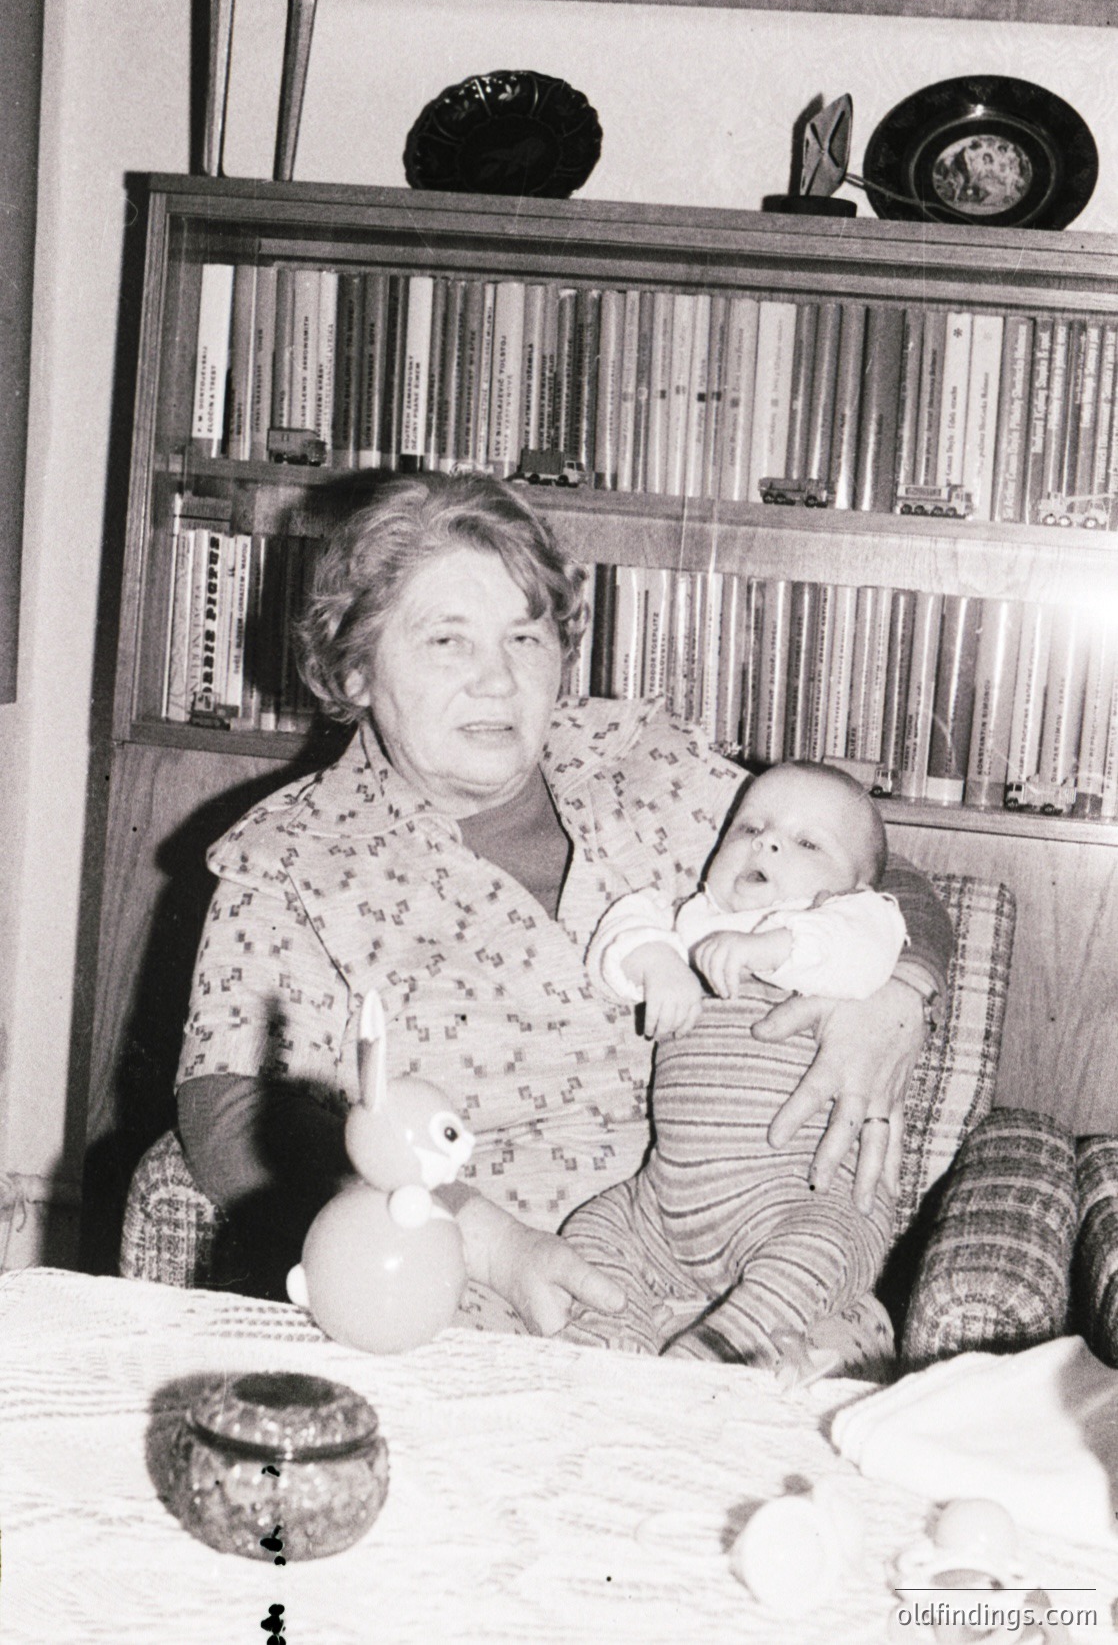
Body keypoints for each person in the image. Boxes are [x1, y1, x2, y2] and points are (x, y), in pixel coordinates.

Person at [173, 471, 953, 1333]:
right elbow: (229, 1113)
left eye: (525, 638)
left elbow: (879, 867)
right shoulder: (291, 859)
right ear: (355, 668)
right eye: (447, 642)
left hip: (763, 1262)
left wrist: (895, 993)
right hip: (479, 1294)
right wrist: (490, 1242)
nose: (498, 682)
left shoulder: (643, 762)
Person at [559, 761, 908, 1368]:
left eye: (806, 842)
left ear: (852, 887)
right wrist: (658, 964)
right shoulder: (689, 922)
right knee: (590, 1230)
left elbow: (865, 951)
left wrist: (772, 945)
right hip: (664, 1205)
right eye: (749, 828)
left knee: (824, 1247)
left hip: (798, 1197)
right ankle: (614, 1339)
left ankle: (726, 1348)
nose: (766, 842)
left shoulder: (853, 921)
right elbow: (621, 932)